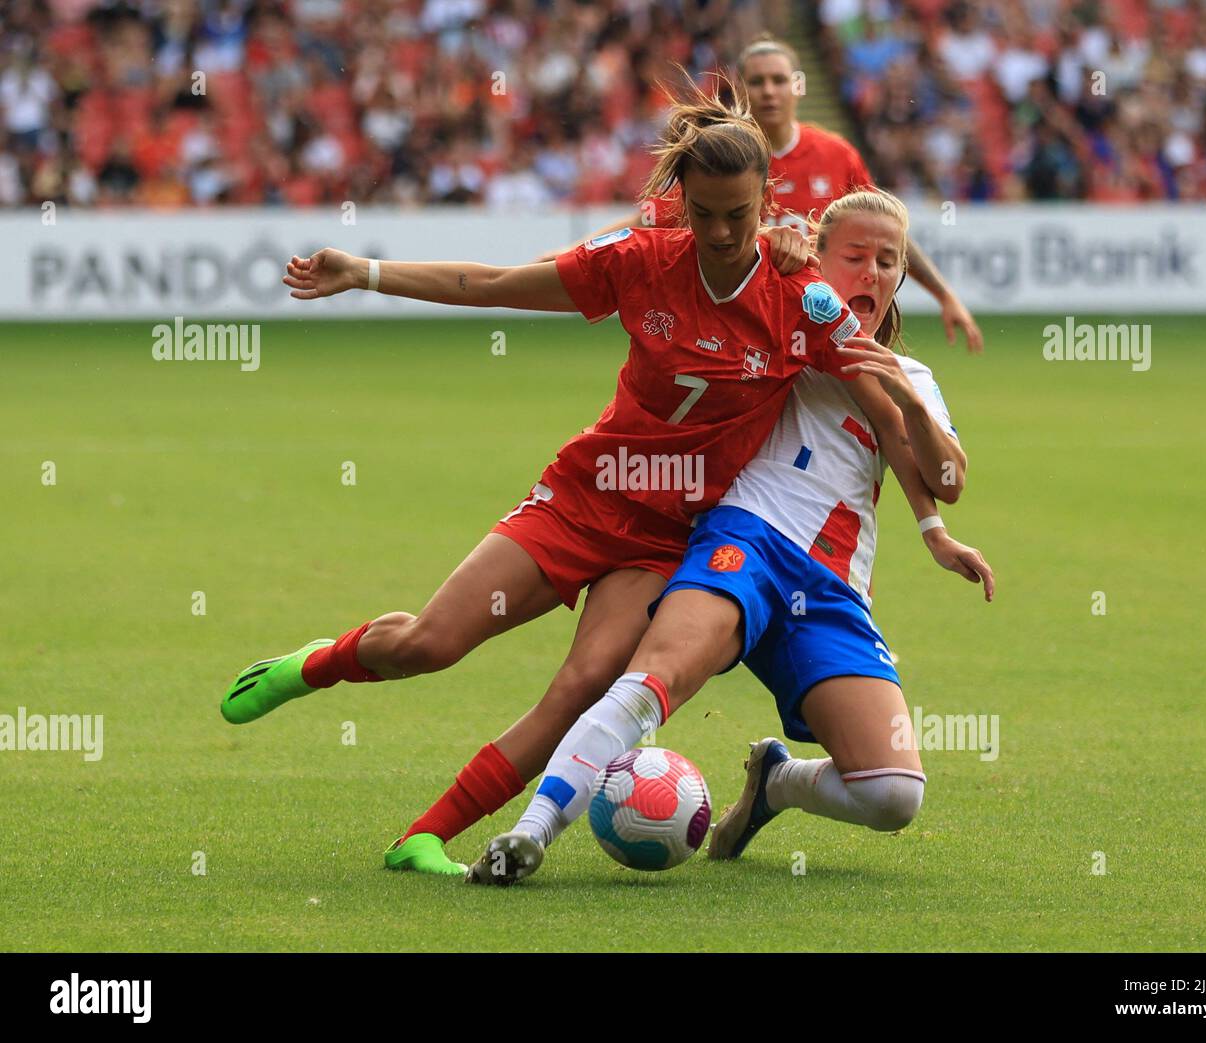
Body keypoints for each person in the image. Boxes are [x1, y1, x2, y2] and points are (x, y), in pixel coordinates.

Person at [219, 80, 885, 877]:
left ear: (766, 198)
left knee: (583, 684)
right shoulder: (640, 261)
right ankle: (314, 664)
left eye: (738, 215)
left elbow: (876, 337)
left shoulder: (793, 289)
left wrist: (934, 511)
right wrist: (362, 271)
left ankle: (424, 836)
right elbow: (496, 284)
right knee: (432, 643)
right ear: (678, 200)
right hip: (584, 496)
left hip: (668, 536)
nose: (719, 230)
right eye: (702, 212)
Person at [465, 186, 994, 884]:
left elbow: (949, 475)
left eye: (888, 261)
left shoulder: (913, 376)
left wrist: (909, 407)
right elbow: (725, 251)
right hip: (743, 539)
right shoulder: (771, 324)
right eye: (855, 256)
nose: (871, 273)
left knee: (894, 794)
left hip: (832, 584)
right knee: (654, 680)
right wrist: (778, 237)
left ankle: (777, 782)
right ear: (818, 255)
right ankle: (530, 833)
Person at [544, 35, 985, 353]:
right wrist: (573, 254)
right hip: (739, 337)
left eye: (779, 80)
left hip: (812, 332)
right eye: (758, 82)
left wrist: (944, 295)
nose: (769, 91)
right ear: (743, 89)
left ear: (797, 87)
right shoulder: (722, 158)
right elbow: (648, 221)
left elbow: (884, 233)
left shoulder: (835, 155)